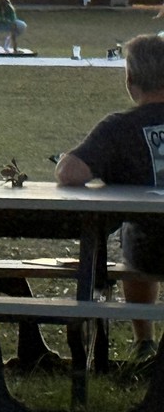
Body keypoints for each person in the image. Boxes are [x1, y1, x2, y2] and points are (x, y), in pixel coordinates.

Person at [56, 33, 164, 362]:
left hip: (151, 250)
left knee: (135, 232)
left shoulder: (118, 128)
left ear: (131, 80)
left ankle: (144, 340)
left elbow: (70, 172)